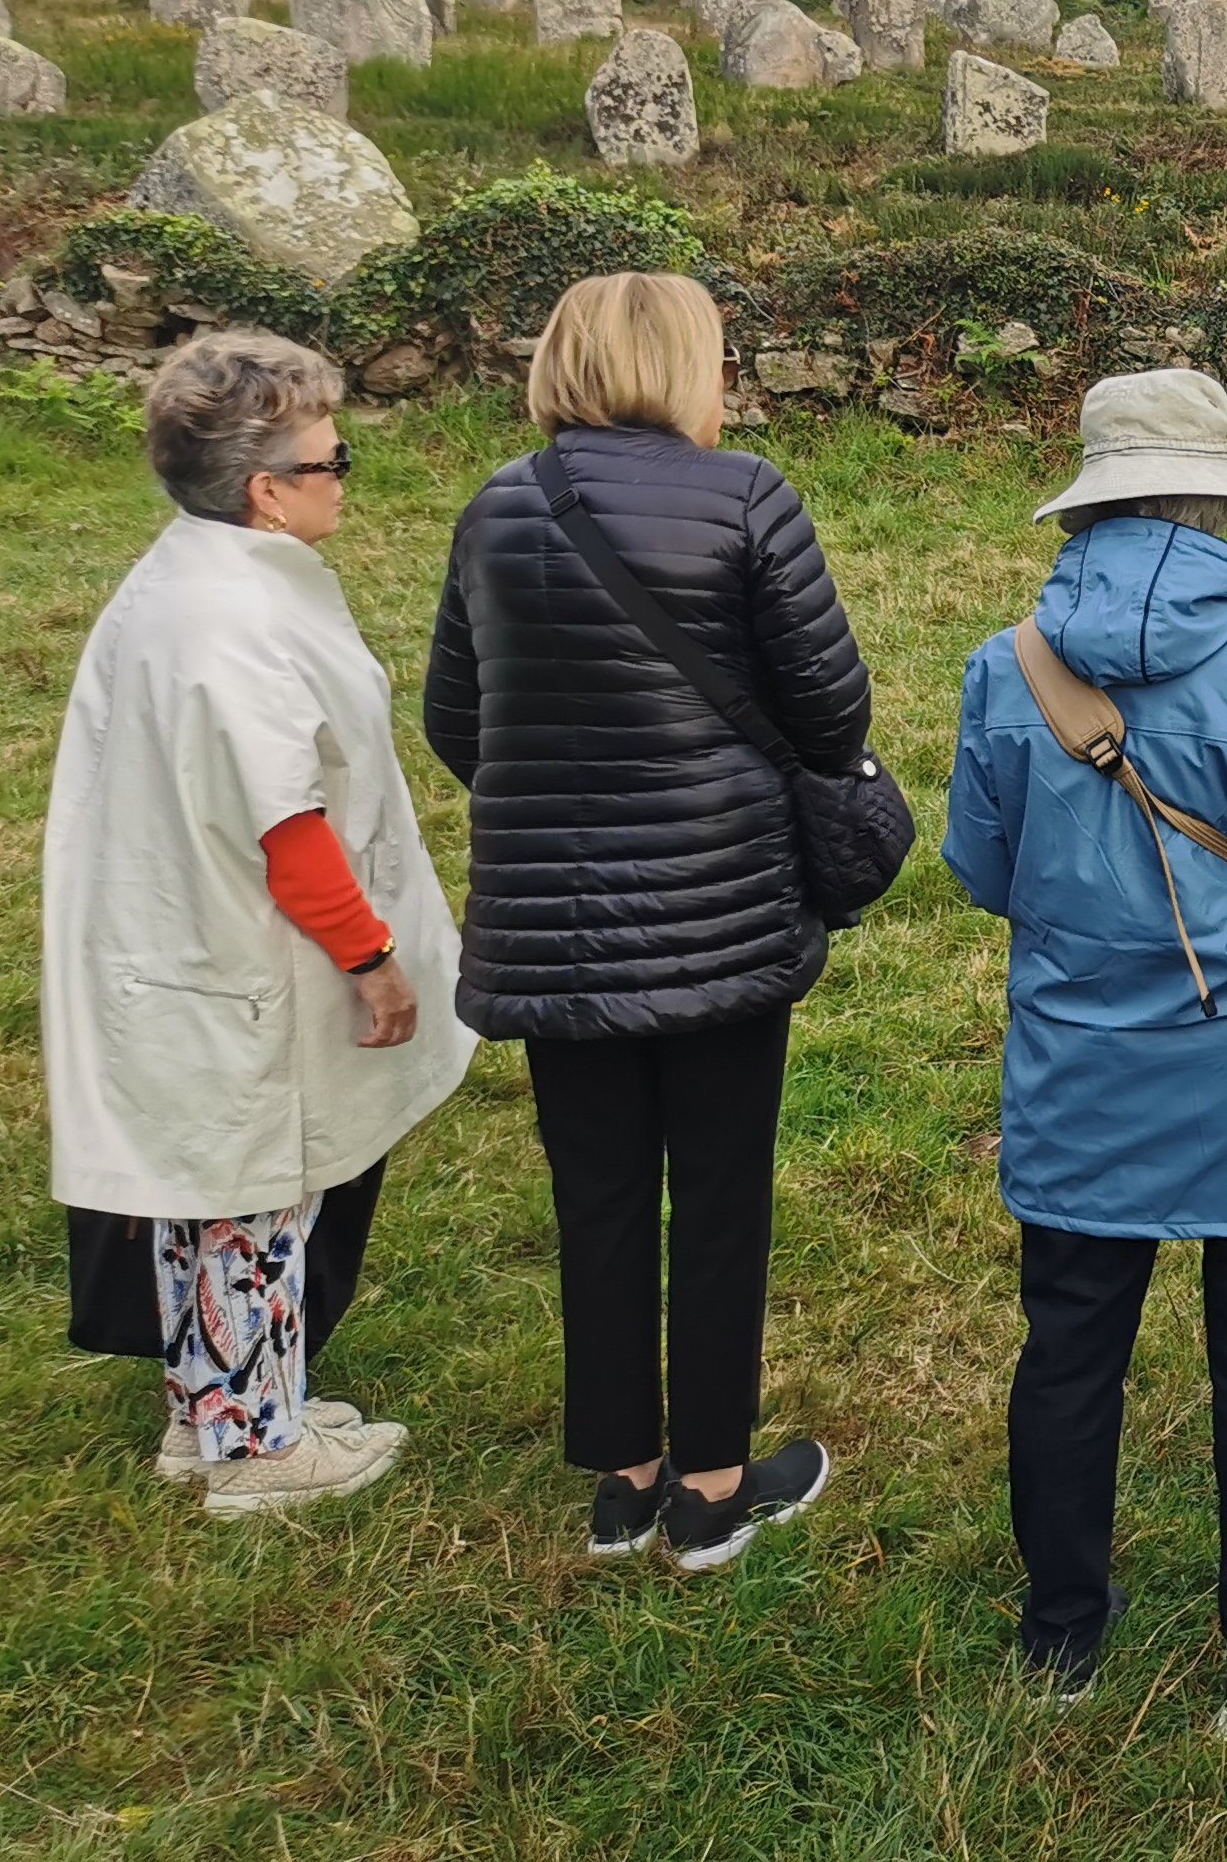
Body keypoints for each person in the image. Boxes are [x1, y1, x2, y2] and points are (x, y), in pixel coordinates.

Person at [942, 370, 1227, 1733]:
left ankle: (1062, 1639)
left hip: (1080, 1059)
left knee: (1070, 1345)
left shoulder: (1002, 665)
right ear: (1217, 501)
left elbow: (984, 867)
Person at [424, 271, 873, 1569]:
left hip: (550, 922)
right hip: (721, 913)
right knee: (720, 1197)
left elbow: (459, 718)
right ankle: (715, 1487)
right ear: (687, 363)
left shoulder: (499, 508)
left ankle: (624, 1480)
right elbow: (829, 716)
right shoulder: (748, 498)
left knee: (600, 1197)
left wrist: (567, 805)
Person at [43, 331, 472, 1515]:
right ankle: (258, 1447)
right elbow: (285, 818)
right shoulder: (227, 620)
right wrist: (373, 961)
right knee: (255, 1192)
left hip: (193, 943)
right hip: (249, 956)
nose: (344, 477)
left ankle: (216, 1406)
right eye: (331, 460)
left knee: (212, 1185)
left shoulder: (193, 577)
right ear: (265, 491)